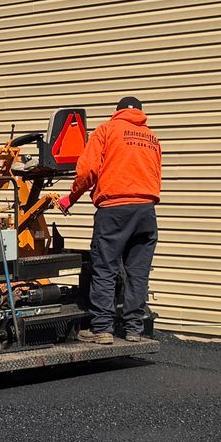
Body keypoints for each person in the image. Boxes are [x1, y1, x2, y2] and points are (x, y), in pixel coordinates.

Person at [58, 96, 161, 344]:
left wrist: (70, 198)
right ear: (141, 113)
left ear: (116, 112)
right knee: (138, 272)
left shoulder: (106, 131)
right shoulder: (152, 138)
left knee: (105, 268)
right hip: (146, 211)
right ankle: (134, 329)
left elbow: (87, 171)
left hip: (114, 209)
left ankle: (102, 329)